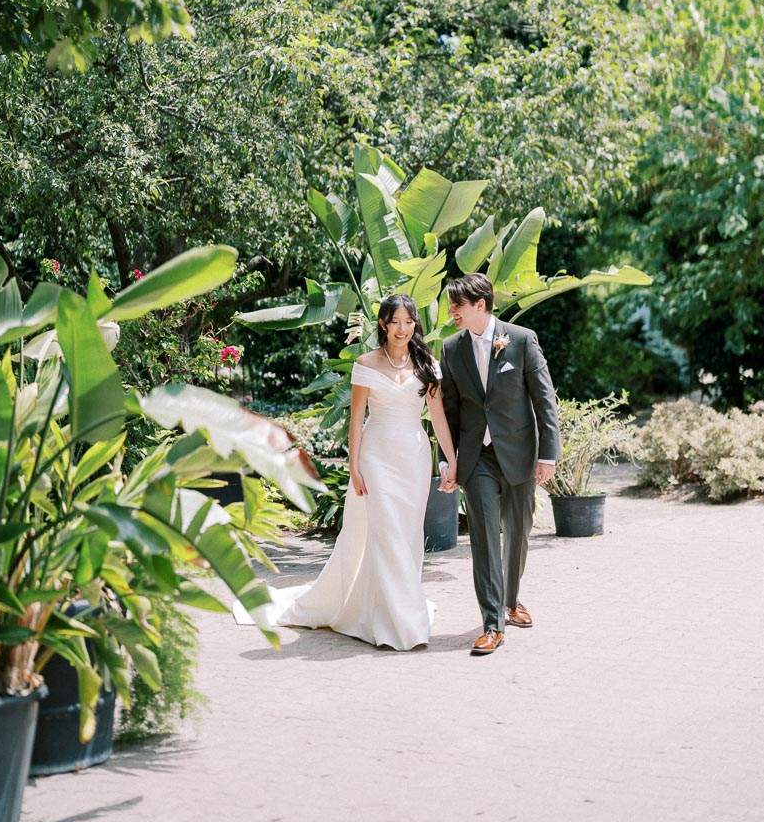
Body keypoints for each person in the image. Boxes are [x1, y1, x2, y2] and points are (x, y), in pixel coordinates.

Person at [234, 293, 458, 650]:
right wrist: (354, 465)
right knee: (386, 533)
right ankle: (400, 622)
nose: (402, 329)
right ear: (383, 324)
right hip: (377, 456)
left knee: (409, 534)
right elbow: (357, 419)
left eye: (409, 322)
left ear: (415, 324)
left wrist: (452, 460)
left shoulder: (427, 363)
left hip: (414, 457)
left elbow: (439, 417)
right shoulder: (367, 363)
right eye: (395, 321)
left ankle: (394, 607)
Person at [438, 272, 560, 656]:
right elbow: (451, 410)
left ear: (480, 305)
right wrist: (449, 460)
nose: (451, 311)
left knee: (518, 532)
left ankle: (511, 600)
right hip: (477, 459)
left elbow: (544, 399)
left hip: (521, 454)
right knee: (485, 538)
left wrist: (548, 454)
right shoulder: (450, 348)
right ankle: (493, 623)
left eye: (457, 305)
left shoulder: (522, 340)